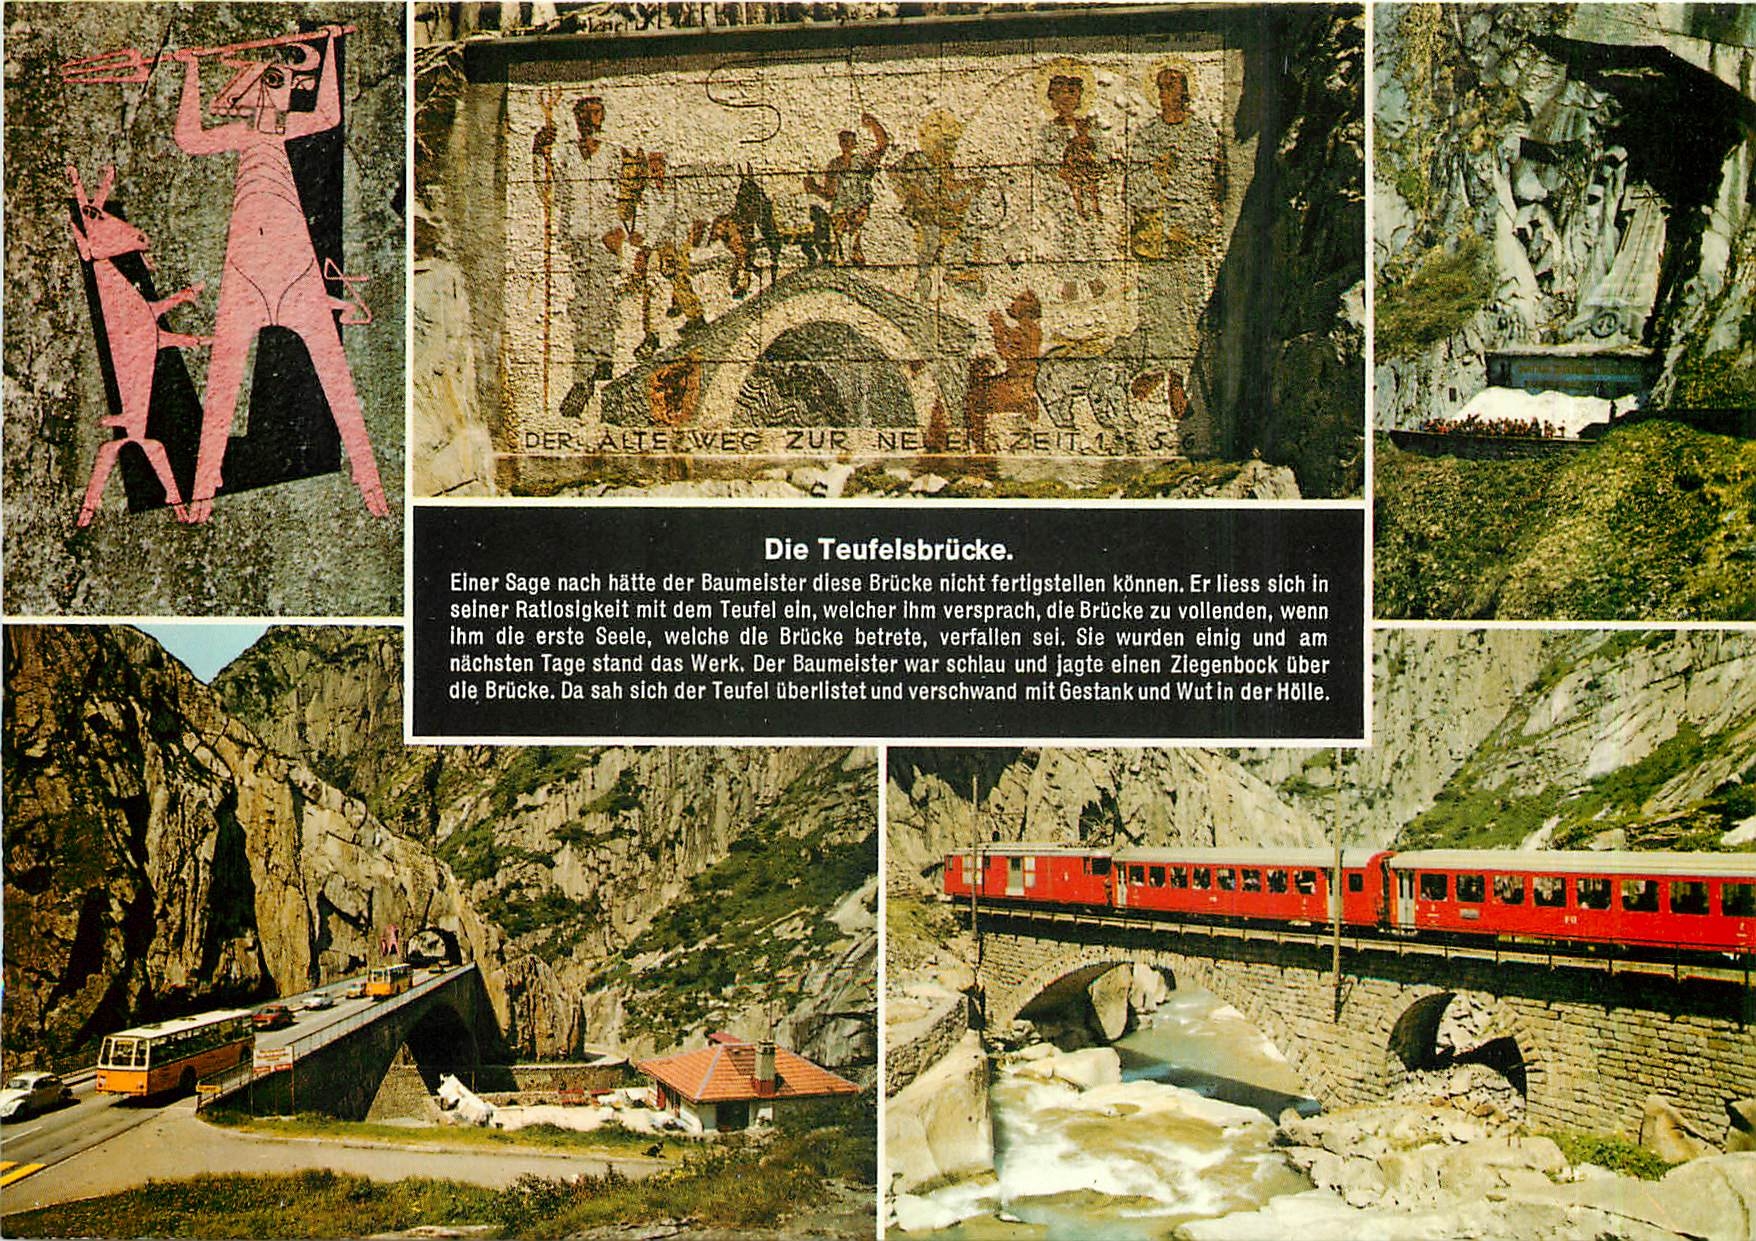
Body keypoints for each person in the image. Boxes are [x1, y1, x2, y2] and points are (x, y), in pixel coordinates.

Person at [173, 26, 387, 520]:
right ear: (248, 98)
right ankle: (204, 489)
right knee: (224, 376)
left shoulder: (283, 128)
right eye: (273, 84)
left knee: (335, 375)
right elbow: (189, 137)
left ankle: (371, 486)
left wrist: (331, 48)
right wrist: (190, 72)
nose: (282, 92)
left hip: (292, 267)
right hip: (247, 268)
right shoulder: (242, 133)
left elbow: (329, 113)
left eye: (282, 85)